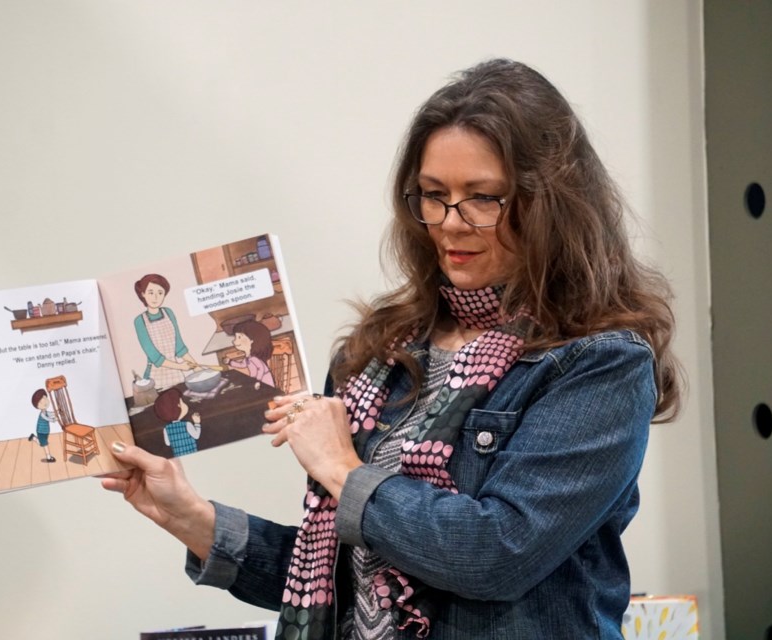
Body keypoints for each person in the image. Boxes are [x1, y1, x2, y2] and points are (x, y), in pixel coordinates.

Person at [101, 58, 682, 639]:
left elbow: (494, 555)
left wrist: (339, 467)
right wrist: (191, 518)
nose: (451, 224)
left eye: (483, 198)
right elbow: (336, 578)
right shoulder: (378, 353)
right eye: (433, 195)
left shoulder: (601, 361)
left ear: (551, 202)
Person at [133, 273, 200, 390]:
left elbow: (179, 347)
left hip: (176, 374)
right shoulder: (140, 321)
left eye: (160, 293)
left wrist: (197, 368)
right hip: (156, 377)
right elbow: (154, 356)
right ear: (143, 294)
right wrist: (179, 366)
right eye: (151, 293)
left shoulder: (168, 313)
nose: (155, 297)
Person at [224, 319, 276, 388]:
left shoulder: (254, 358)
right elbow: (242, 365)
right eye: (235, 337)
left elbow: (261, 369)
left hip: (265, 383)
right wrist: (230, 362)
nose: (234, 341)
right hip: (256, 382)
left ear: (252, 340)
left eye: (239, 337)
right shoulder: (248, 357)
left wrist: (258, 380)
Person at [154, 388, 203, 457]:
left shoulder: (166, 429)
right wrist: (197, 423)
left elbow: (168, 443)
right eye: (182, 402)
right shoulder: (187, 424)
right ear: (178, 407)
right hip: (192, 454)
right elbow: (196, 436)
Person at [27, 389, 57, 463]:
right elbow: (47, 418)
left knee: (42, 443)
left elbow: (50, 414)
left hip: (45, 431)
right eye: (40, 402)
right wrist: (53, 420)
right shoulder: (42, 414)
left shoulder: (45, 411)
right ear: (37, 406)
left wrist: (56, 412)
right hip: (41, 431)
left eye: (44, 398)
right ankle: (49, 457)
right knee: (45, 444)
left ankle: (33, 437)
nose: (44, 402)